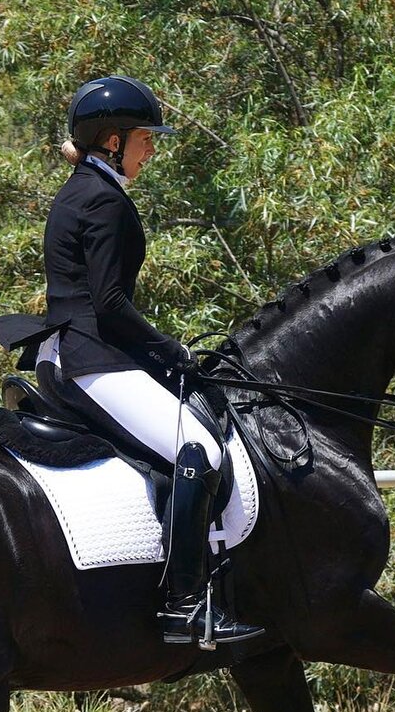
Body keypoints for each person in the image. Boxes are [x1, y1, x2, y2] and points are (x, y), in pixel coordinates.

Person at [25, 74, 264, 648]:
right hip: (95, 357)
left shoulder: (87, 184)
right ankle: (186, 606)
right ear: (113, 141)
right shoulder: (103, 201)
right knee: (200, 450)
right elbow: (109, 305)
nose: (151, 147)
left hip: (82, 351)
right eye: (143, 137)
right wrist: (168, 349)